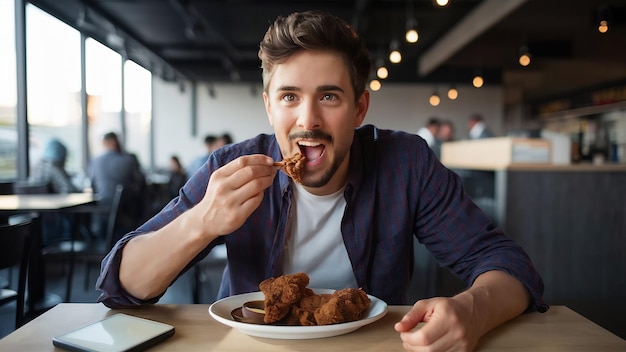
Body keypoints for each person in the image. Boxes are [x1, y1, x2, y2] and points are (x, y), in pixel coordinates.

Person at [96, 10, 546, 351]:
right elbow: (120, 286)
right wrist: (201, 223)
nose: (307, 119)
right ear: (270, 106)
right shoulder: (229, 166)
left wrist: (472, 309)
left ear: (359, 108)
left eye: (329, 96)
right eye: (290, 96)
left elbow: (509, 265)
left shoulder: (405, 163)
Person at [89, 132, 145, 237]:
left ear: (105, 143)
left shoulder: (96, 161)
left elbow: (93, 187)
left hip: (102, 212)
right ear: (116, 142)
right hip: (125, 214)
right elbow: (140, 183)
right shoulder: (128, 160)